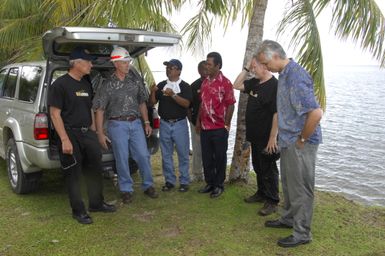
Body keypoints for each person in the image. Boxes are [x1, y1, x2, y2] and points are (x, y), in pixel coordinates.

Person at [256, 40, 323, 248]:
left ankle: (302, 233)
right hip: (288, 140)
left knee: (301, 188)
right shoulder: (284, 75)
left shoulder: (296, 75)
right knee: (288, 184)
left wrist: (302, 139)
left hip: (300, 142)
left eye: (266, 63)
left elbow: (316, 112)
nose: (265, 68)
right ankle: (288, 219)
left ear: (276, 56)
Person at [48, 47, 116, 225]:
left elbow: (90, 109)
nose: (91, 65)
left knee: (95, 169)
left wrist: (95, 132)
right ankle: (78, 211)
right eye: (88, 62)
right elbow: (55, 114)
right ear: (76, 63)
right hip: (70, 133)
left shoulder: (86, 83)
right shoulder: (60, 85)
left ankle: (96, 203)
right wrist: (64, 139)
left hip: (88, 133)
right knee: (74, 174)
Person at [93, 47, 158, 204]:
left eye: (128, 61)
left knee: (143, 155)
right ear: (116, 63)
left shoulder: (134, 81)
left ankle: (148, 185)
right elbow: (99, 110)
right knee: (121, 158)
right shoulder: (107, 85)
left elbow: (142, 103)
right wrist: (100, 133)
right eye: (124, 62)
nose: (127, 64)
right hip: (116, 125)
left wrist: (147, 122)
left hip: (135, 123)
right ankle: (126, 189)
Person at [233, 55, 279, 216]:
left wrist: (273, 138)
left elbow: (277, 113)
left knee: (269, 169)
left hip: (268, 137)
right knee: (259, 167)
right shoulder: (254, 82)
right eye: (252, 68)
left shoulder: (274, 86)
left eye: (255, 67)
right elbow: (236, 85)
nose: (253, 70)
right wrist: (246, 68)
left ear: (265, 67)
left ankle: (272, 200)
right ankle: (261, 193)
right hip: (254, 135)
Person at [197, 52, 236, 198]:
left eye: (209, 64)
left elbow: (231, 105)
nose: (206, 66)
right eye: (206, 63)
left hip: (219, 128)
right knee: (207, 157)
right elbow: (202, 103)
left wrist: (226, 125)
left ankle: (219, 185)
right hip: (205, 127)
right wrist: (198, 122)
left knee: (219, 157)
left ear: (218, 66)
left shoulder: (225, 83)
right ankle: (210, 183)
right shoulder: (205, 82)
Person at [150, 59, 192, 192]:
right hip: (165, 123)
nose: (168, 70)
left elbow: (187, 104)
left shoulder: (185, 86)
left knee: (183, 153)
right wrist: (152, 91)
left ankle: (184, 181)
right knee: (166, 154)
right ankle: (169, 181)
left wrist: (173, 95)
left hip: (179, 123)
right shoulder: (162, 85)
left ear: (179, 70)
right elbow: (152, 103)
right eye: (167, 68)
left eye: (172, 68)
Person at [188, 60, 208, 182]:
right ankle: (197, 173)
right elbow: (188, 106)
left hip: (211, 123)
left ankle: (209, 172)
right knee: (197, 149)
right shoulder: (194, 86)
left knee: (210, 149)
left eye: (208, 68)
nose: (206, 71)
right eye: (203, 69)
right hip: (196, 123)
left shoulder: (214, 83)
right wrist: (192, 121)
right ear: (199, 71)